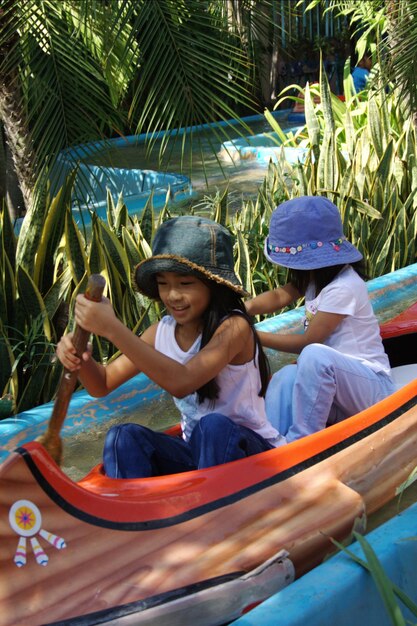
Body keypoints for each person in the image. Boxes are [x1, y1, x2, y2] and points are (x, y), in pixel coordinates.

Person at [56, 215, 283, 478]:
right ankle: (135, 512)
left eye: (185, 284)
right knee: (122, 437)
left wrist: (112, 328)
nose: (172, 295)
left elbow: (183, 381)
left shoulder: (234, 327)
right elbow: (102, 384)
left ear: (214, 286)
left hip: (252, 454)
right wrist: (80, 359)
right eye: (163, 284)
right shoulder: (160, 333)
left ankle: (207, 513)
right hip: (199, 457)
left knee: (213, 427)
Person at [245, 196, 395, 444]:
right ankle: (266, 445)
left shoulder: (344, 286)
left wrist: (251, 335)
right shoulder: (317, 278)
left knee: (313, 355)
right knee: (285, 377)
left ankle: (302, 442)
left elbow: (309, 341)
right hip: (338, 391)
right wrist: (243, 308)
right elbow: (279, 295)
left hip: (373, 390)